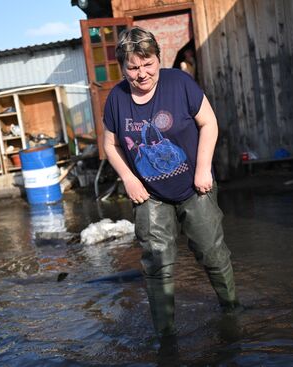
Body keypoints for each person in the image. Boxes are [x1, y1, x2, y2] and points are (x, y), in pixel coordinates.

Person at [103, 26, 238, 337]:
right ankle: (166, 336)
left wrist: (203, 168)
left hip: (195, 185)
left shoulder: (180, 83)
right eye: (133, 67)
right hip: (149, 194)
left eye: (148, 64)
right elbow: (110, 145)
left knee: (211, 251)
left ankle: (232, 310)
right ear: (123, 68)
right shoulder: (117, 98)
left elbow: (209, 123)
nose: (141, 74)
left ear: (158, 59)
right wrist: (128, 178)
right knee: (157, 262)